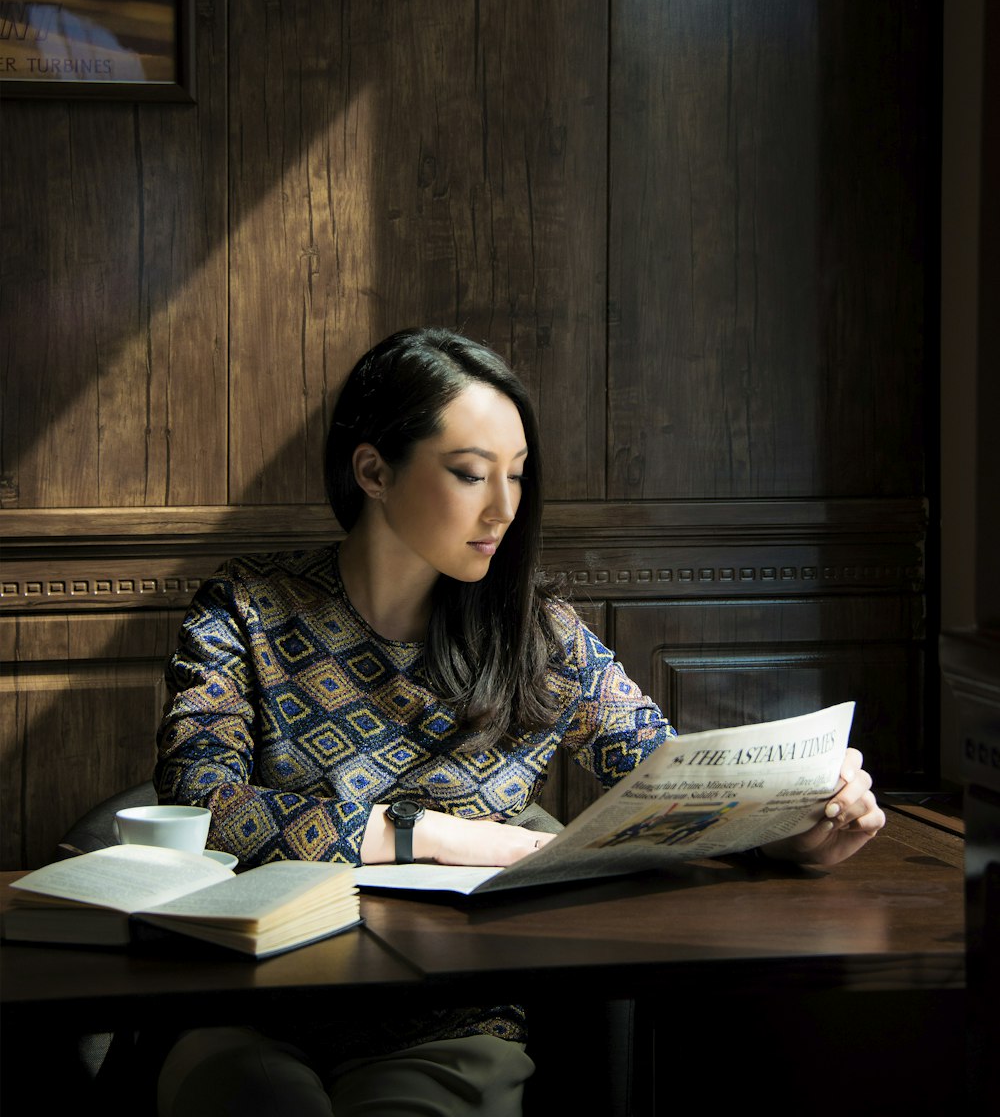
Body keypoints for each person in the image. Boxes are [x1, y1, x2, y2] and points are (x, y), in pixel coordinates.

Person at [154, 327, 884, 1116]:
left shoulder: (539, 638)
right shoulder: (246, 611)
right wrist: (428, 835)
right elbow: (201, 808)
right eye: (470, 475)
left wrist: (798, 826)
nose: (503, 508)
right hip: (250, 1002)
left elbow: (674, 783)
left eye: (518, 476)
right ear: (372, 469)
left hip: (450, 1020)